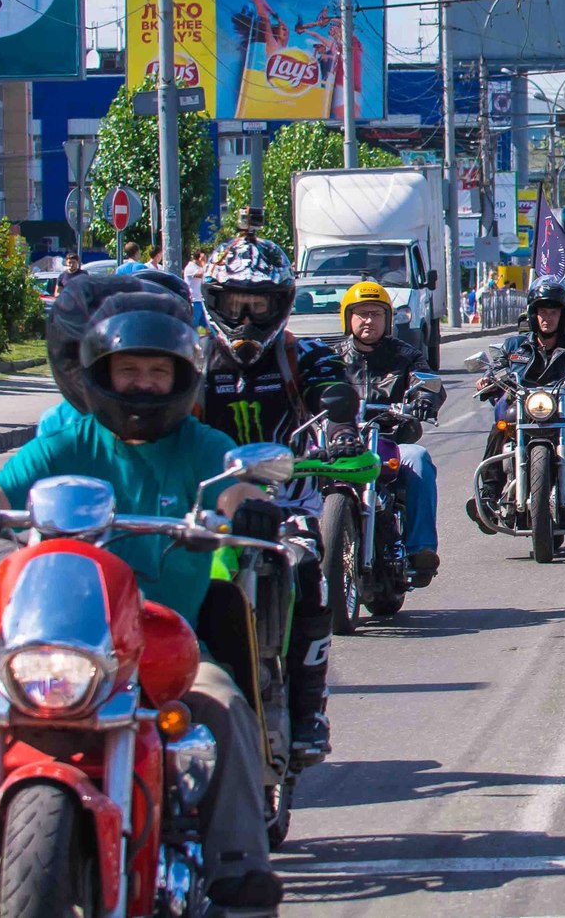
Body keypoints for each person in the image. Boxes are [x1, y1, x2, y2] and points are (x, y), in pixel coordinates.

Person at [0, 290, 284, 911]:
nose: (143, 384)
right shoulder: (71, 442)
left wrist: (239, 502)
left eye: (157, 371)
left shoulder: (200, 446)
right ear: (101, 374)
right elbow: (4, 481)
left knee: (223, 706)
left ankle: (238, 863)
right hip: (68, 641)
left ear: (180, 377)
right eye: (129, 370)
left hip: (164, 643)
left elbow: (237, 480)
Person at [199, 235, 355, 759]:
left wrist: (341, 431)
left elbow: (332, 390)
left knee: (311, 571)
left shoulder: (300, 356)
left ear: (280, 305)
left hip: (288, 502)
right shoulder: (192, 361)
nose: (244, 320)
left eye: (257, 305)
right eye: (234, 305)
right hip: (205, 504)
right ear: (214, 302)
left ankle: (310, 707)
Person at [469, 277, 565, 529]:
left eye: (553, 312)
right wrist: (487, 379)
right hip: (524, 409)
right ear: (533, 314)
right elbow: (497, 368)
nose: (547, 318)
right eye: (542, 311)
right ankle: (489, 494)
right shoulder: (514, 346)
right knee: (499, 426)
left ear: (563, 316)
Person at [333, 281, 445, 588]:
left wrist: (424, 399)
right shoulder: (331, 359)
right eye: (360, 313)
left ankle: (420, 548)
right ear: (348, 318)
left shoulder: (406, 356)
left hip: (389, 442)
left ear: (388, 318)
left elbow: (429, 382)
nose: (368, 320)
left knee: (419, 459)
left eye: (375, 313)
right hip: (341, 443)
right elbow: (309, 387)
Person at [184, 247, 208, 326]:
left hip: (201, 301)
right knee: (194, 326)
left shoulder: (200, 267)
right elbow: (203, 275)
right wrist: (204, 262)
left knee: (206, 329)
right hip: (193, 301)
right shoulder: (190, 267)